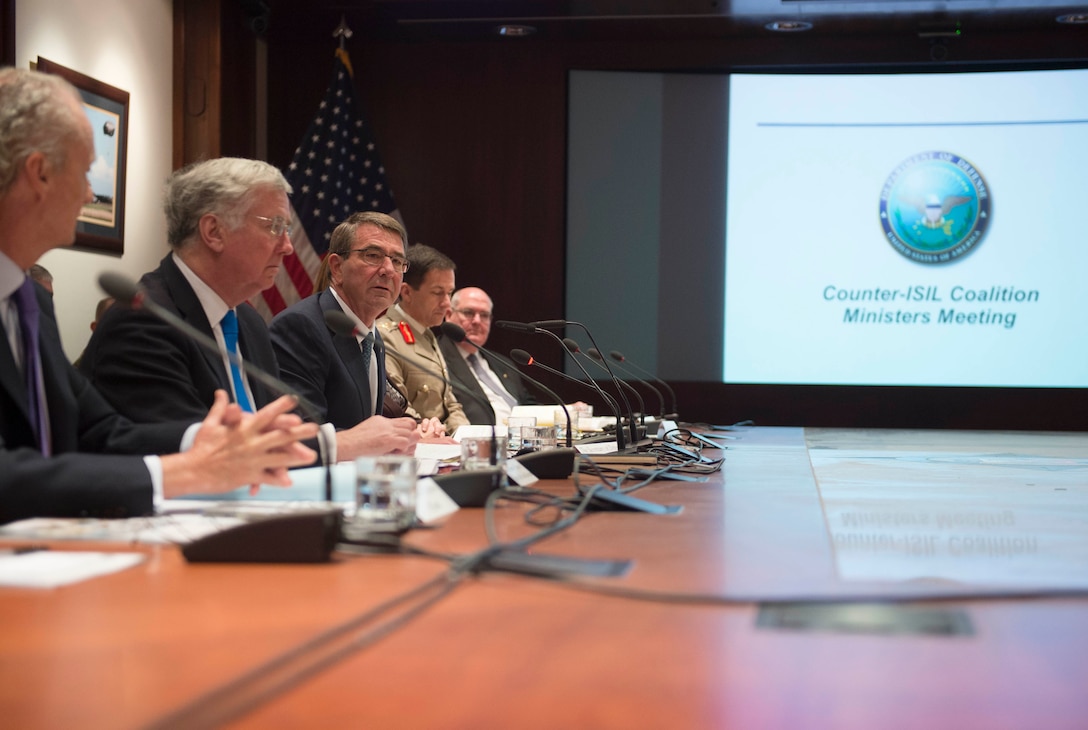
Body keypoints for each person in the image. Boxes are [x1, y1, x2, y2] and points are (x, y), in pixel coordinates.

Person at [0, 67, 317, 523]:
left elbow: (101, 431)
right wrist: (176, 473)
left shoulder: (30, 301)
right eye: (87, 171)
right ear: (39, 174)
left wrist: (201, 443)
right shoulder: (132, 315)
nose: (91, 192)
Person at [78, 158, 401, 463]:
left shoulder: (248, 322)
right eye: (275, 226)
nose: (287, 246)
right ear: (214, 232)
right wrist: (339, 444)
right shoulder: (145, 320)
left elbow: (285, 427)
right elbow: (198, 453)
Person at [269, 212, 435, 455]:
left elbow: (368, 424)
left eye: (398, 261)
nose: (388, 270)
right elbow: (299, 434)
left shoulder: (369, 333)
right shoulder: (301, 327)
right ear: (337, 267)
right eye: (373, 256)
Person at [377, 244, 469, 434]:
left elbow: (450, 404)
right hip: (418, 443)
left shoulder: (426, 333)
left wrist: (467, 436)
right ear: (407, 292)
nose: (447, 303)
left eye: (449, 293)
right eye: (437, 293)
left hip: (446, 444)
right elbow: (398, 408)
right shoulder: (385, 336)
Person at [439, 286, 537, 425]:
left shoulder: (503, 364)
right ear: (448, 315)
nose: (477, 321)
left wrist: (566, 412)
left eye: (484, 315)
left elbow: (527, 405)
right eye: (468, 312)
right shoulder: (436, 357)